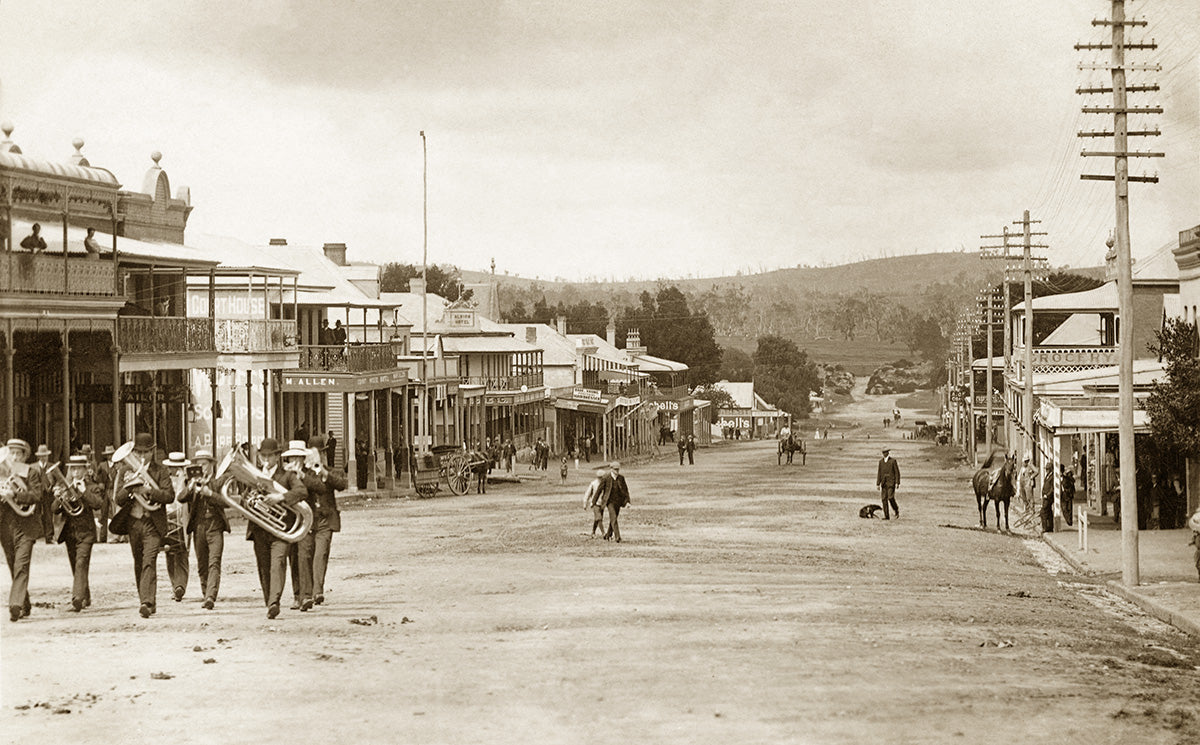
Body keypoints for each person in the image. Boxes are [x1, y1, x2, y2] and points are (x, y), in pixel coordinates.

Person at [108, 433, 175, 618]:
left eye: (146, 452)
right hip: (133, 523)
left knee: (149, 561)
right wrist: (130, 489)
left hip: (152, 523)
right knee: (139, 562)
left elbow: (169, 496)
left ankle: (147, 601)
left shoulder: (160, 471)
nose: (142, 456)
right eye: (138, 452)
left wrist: (149, 491)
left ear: (153, 451)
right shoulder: (124, 471)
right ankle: (145, 600)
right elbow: (118, 499)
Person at [247, 438, 308, 619]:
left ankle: (275, 601)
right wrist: (251, 499)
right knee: (264, 568)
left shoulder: (287, 476)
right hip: (259, 529)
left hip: (281, 531)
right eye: (262, 456)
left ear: (276, 457)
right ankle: (269, 602)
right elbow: (245, 499)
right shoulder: (254, 476)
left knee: (278, 564)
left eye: (269, 456)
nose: (265, 459)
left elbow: (302, 491)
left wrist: (280, 497)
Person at [298, 436, 348, 609]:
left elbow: (342, 484)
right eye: (312, 454)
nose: (316, 457)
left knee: (321, 554)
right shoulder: (303, 473)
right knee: (306, 556)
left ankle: (317, 591)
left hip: (326, 519)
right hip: (309, 519)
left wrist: (324, 473)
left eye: (319, 453)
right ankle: (307, 593)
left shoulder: (331, 471)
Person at [50, 455, 104, 612]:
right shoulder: (64, 486)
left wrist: (83, 491)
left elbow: (98, 504)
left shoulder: (92, 487)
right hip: (70, 533)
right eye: (72, 469)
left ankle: (77, 598)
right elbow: (54, 509)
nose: (75, 472)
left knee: (81, 563)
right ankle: (85, 595)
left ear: (85, 470)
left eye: (78, 468)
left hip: (86, 533)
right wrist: (59, 498)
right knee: (76, 565)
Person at [178, 449, 226, 610]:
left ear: (211, 465)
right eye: (198, 465)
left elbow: (226, 502)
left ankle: (211, 596)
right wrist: (191, 486)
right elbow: (180, 497)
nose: (201, 467)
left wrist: (210, 493)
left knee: (214, 562)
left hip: (215, 526)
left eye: (204, 464)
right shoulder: (190, 482)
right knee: (202, 564)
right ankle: (206, 593)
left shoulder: (218, 481)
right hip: (199, 526)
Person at [3, 439, 45, 621]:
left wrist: (15, 494)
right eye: (10, 453)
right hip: (5, 526)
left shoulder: (31, 472)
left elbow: (37, 495)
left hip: (26, 526)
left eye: (17, 453)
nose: (13, 457)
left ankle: (15, 605)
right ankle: (24, 603)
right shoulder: (2, 474)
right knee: (13, 564)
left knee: (21, 564)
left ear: (23, 456)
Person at [163, 452, 193, 602]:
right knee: (171, 554)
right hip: (168, 519)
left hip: (183, 519)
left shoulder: (188, 481)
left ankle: (179, 585)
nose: (174, 470)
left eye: (177, 467)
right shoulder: (165, 479)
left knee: (180, 553)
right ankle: (176, 585)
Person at [602, 462, 630, 542]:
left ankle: (608, 534)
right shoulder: (606, 478)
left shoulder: (621, 478)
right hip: (609, 502)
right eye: (615, 469)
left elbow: (625, 490)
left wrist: (627, 501)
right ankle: (618, 537)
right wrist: (593, 502)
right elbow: (599, 490)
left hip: (618, 502)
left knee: (613, 518)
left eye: (618, 469)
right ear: (611, 469)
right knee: (613, 517)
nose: (617, 471)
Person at [34, 444, 54, 544]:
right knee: (35, 514)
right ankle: (35, 536)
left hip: (48, 494)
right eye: (41, 456)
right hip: (37, 494)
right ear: (38, 457)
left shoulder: (52, 466)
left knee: (48, 515)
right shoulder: (33, 467)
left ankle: (49, 537)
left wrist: (54, 487)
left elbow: (59, 480)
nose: (43, 458)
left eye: (45, 455)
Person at [876, 447, 900, 520]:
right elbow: (879, 473)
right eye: (883, 452)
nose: (884, 454)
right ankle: (886, 516)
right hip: (883, 483)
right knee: (884, 499)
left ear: (888, 453)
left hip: (891, 482)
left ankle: (896, 509)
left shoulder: (893, 461)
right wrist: (878, 483)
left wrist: (897, 482)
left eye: (885, 452)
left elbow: (897, 472)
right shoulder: (881, 462)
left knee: (890, 497)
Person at [584, 467, 608, 538]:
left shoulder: (605, 484)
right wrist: (585, 503)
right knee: (599, 518)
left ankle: (593, 532)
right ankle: (604, 533)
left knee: (597, 519)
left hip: (602, 504)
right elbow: (587, 494)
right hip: (595, 504)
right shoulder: (593, 484)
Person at [1040, 462, 1055, 533]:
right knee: (1048, 512)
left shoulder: (1053, 477)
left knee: (1043, 512)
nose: (1046, 470)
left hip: (1048, 497)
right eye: (1046, 469)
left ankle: (1045, 527)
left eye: (1048, 469)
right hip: (1045, 496)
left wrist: (1048, 495)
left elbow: (1052, 488)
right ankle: (1050, 527)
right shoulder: (1047, 476)